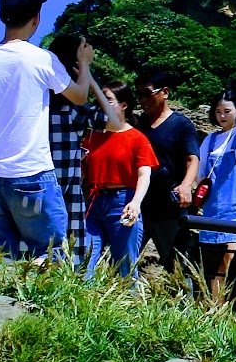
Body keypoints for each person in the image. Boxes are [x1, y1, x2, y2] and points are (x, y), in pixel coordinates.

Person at [0, 0, 95, 258]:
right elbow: (79, 97)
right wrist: (84, 63)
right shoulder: (42, 59)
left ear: (1, 16)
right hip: (33, 173)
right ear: (36, 18)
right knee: (48, 255)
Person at [81, 79, 157, 276]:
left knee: (125, 268)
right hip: (94, 201)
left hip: (122, 202)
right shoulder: (92, 136)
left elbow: (144, 173)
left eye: (107, 100)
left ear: (124, 105)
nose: (101, 106)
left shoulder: (137, 139)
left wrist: (136, 202)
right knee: (83, 262)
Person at [130, 72, 200, 276]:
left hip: (168, 207)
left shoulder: (181, 125)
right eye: (139, 95)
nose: (143, 100)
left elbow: (192, 158)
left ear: (165, 92)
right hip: (138, 204)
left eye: (147, 93)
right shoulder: (136, 124)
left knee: (177, 268)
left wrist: (186, 185)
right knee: (122, 263)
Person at [45, 33, 102, 263]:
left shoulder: (40, 104)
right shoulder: (75, 111)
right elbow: (113, 122)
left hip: (35, 187)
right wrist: (87, 73)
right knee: (68, 262)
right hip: (68, 193)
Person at [192, 91, 236, 288]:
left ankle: (231, 304)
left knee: (231, 262)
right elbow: (200, 174)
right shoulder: (210, 140)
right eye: (218, 111)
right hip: (212, 212)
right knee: (212, 268)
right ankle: (216, 304)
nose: (222, 116)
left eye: (227, 111)